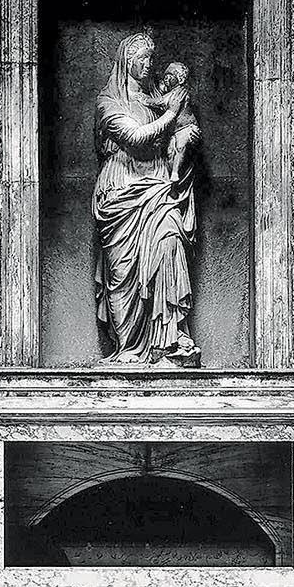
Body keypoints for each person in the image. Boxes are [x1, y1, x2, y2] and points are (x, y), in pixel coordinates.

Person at [92, 32, 201, 368]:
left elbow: (184, 129)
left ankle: (168, 342)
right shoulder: (108, 103)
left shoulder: (158, 95)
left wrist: (179, 121)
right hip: (122, 190)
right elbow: (135, 137)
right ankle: (128, 348)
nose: (150, 64)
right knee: (123, 273)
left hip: (159, 186)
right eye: (144, 58)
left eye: (152, 58)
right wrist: (170, 114)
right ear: (128, 60)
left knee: (170, 245)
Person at [155, 61, 202, 197]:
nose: (167, 78)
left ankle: (174, 181)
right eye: (167, 75)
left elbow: (166, 105)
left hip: (180, 131)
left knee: (180, 149)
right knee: (171, 154)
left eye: (171, 75)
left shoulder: (178, 93)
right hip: (150, 162)